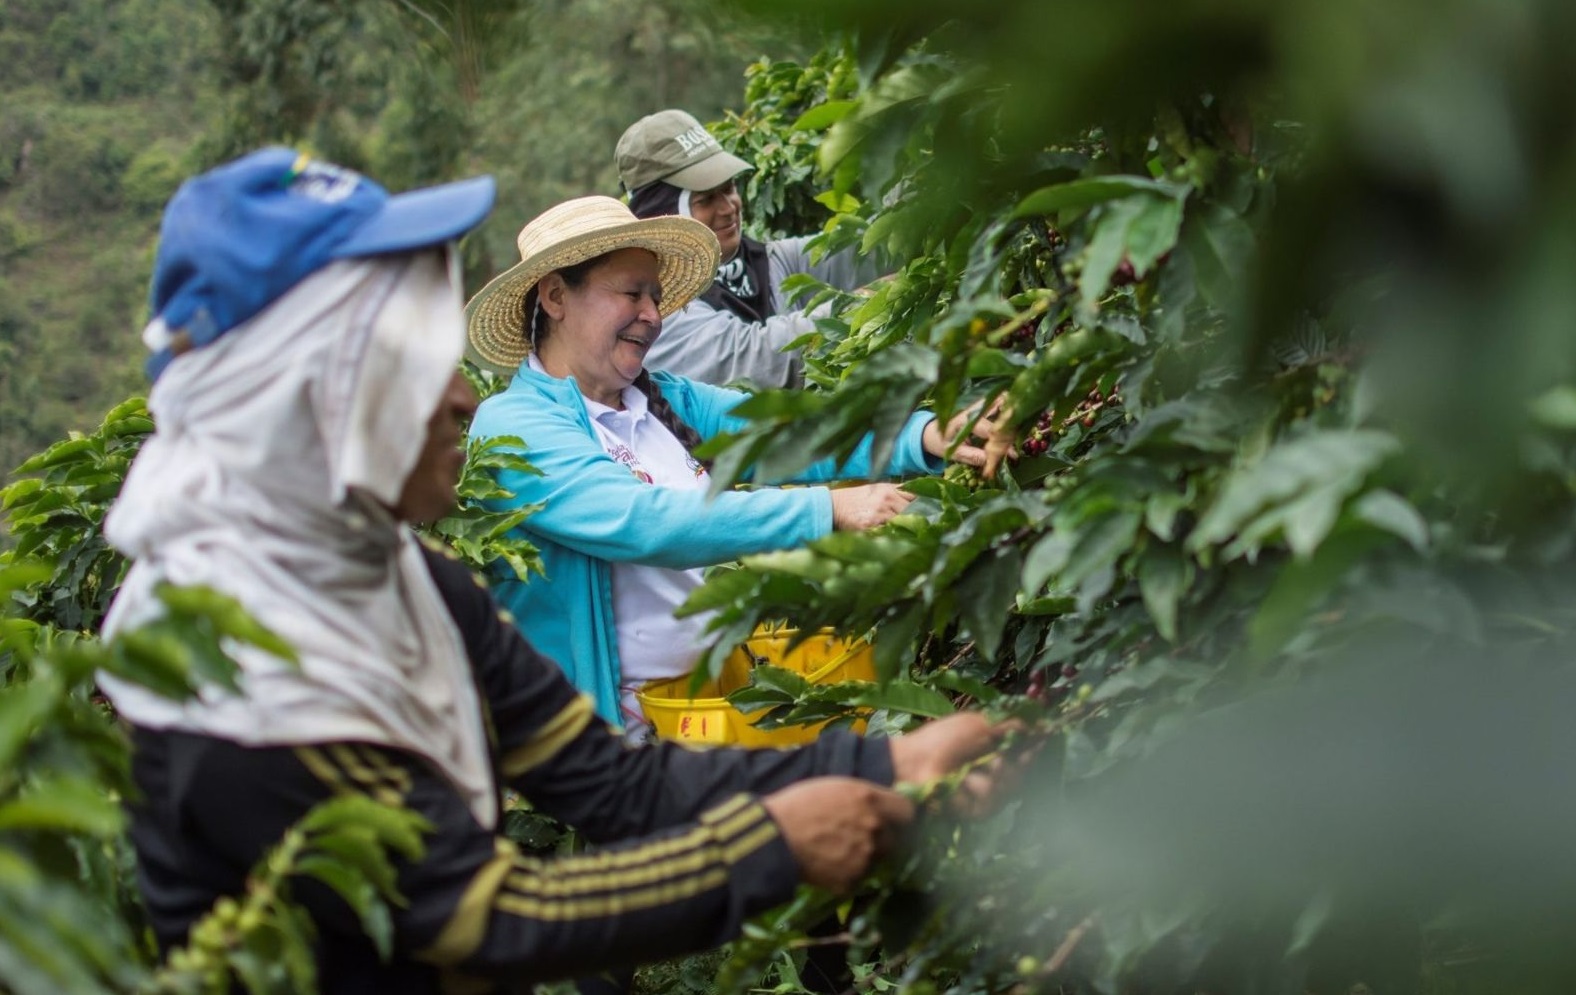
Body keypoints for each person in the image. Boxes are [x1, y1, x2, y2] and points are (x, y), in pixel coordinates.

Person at [97, 148, 1009, 994]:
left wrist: (888, 760)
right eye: (412, 368)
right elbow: (475, 915)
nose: (461, 397)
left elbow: (612, 783)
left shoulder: (405, 581)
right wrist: (767, 845)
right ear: (307, 394)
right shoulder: (229, 647)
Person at [464, 195, 989, 737]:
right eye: (631, 293)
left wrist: (922, 432)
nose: (652, 315)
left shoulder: (663, 400)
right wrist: (828, 508)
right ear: (555, 296)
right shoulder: (515, 427)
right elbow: (647, 522)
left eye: (656, 296)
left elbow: (788, 431)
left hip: (703, 715)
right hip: (605, 746)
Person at [613, 108, 887, 388]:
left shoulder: (765, 262)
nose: (728, 207)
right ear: (666, 215)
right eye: (706, 199)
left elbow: (868, 251)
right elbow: (756, 358)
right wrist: (874, 300)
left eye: (729, 188)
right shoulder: (655, 310)